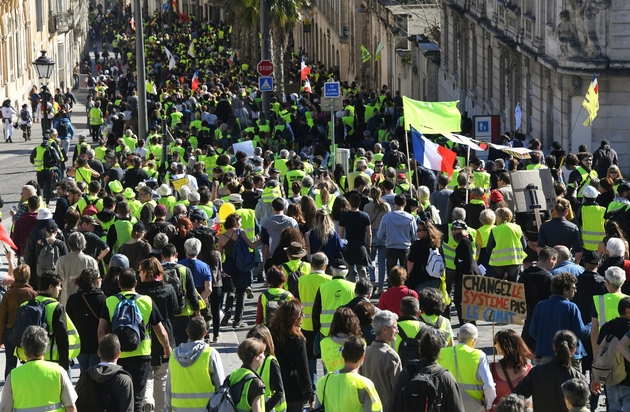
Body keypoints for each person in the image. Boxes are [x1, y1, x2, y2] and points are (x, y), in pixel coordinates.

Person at [97, 268, 173, 412]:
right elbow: (161, 331)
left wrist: (104, 352)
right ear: (136, 283)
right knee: (137, 398)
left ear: (119, 284)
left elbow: (102, 330)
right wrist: (167, 348)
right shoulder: (146, 301)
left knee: (117, 398)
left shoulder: (110, 301)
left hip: (117, 357)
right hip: (141, 356)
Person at [0, 326, 77, 412]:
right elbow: (71, 408)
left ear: (24, 349)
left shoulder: (13, 376)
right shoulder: (58, 372)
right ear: (45, 347)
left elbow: (4, 409)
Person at [136, 257, 179, 412]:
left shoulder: (139, 292)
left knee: (147, 375)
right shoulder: (168, 288)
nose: (138, 274)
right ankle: (160, 408)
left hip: (145, 336)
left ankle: (147, 401)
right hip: (165, 333)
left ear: (147, 272)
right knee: (162, 377)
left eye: (140, 271)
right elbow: (175, 310)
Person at [388, 331, 465, 412]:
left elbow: (393, 405)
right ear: (439, 352)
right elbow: (457, 408)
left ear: (419, 349)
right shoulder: (446, 378)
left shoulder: (406, 373)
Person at [513, 330, 585, 412]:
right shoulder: (578, 378)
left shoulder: (537, 372)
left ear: (554, 346)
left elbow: (517, 394)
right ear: (574, 350)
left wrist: (527, 407)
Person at [529, 273, 591, 368]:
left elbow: (532, 331)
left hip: (546, 354)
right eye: (573, 288)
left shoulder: (540, 306)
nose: (575, 291)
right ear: (565, 290)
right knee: (573, 382)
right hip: (570, 355)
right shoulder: (571, 307)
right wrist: (592, 325)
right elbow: (580, 332)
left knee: (549, 382)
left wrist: (546, 340)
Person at [165, 316, 225, 412]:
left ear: (187, 331)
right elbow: (221, 386)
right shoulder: (210, 354)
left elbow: (168, 388)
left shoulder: (174, 356)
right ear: (205, 333)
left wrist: (167, 408)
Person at [314, 335, 383, 412]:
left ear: (342, 354)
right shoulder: (364, 384)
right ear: (363, 357)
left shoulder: (323, 382)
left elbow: (317, 408)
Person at [437, 323, 496, 412]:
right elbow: (489, 386)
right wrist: (488, 405)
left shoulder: (442, 353)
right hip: (474, 406)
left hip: (448, 404)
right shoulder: (479, 355)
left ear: (457, 336)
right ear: (474, 340)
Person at [269, 299, 315, 411]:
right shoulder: (297, 340)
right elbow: (303, 370)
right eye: (301, 314)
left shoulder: (270, 333)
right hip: (293, 390)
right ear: (293, 318)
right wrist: (310, 395)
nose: (303, 316)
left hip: (272, 386)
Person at [217, 214, 261, 328]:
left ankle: (228, 310)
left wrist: (221, 270)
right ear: (235, 222)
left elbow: (219, 255)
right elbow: (251, 246)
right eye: (240, 222)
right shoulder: (240, 232)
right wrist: (261, 240)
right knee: (241, 293)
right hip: (241, 265)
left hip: (228, 265)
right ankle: (238, 320)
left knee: (230, 291)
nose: (241, 224)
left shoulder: (222, 237)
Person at [295, 252, 331, 385]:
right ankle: (327, 387)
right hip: (325, 326)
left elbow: (296, 302)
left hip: (306, 325)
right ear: (325, 266)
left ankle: (312, 389)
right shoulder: (330, 280)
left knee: (310, 360)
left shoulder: (301, 281)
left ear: (311, 265)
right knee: (327, 359)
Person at [75, 334, 134, 412]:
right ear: (118, 354)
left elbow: (74, 403)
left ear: (99, 353)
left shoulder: (86, 376)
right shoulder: (124, 380)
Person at [66, 268, 107, 374]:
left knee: (84, 372)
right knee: (94, 375)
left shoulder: (73, 299)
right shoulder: (102, 299)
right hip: (96, 344)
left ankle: (83, 389)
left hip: (80, 344)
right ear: (95, 281)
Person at [0, 264, 38, 377]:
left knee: (10, 363)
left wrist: (0, 337)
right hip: (29, 331)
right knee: (29, 362)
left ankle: (9, 388)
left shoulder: (8, 295)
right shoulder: (33, 294)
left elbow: (2, 317)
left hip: (10, 331)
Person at [593, 297, 630, 410]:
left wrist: (595, 378)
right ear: (628, 311)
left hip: (610, 378)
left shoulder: (606, 327)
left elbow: (599, 353)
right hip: (628, 381)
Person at [359, 310, 402, 408]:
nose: (397, 331)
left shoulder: (365, 352)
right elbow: (398, 389)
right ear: (385, 329)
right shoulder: (390, 356)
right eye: (395, 327)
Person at [490, 329, 534, 410]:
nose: (494, 345)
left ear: (504, 346)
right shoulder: (530, 370)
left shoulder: (491, 368)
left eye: (496, 342)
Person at [247, 325, 286, 412]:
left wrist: (264, 408)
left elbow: (279, 392)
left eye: (256, 337)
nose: (253, 339)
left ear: (265, 340)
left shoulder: (271, 361)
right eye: (250, 336)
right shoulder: (252, 359)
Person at [313, 259, 356, 337]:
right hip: (348, 329)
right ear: (347, 272)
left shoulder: (323, 287)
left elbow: (316, 310)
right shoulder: (353, 287)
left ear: (331, 271)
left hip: (326, 331)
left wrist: (317, 329)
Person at [377, 194, 417, 273]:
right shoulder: (410, 218)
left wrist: (388, 237)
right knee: (405, 274)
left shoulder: (386, 217)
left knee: (392, 275)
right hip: (405, 248)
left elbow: (379, 235)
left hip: (391, 247)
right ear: (405, 204)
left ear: (394, 203)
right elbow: (415, 235)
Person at [590, 266, 627, 353]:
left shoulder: (598, 300)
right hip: (625, 347)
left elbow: (594, 331)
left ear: (607, 282)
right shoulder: (628, 300)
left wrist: (596, 355)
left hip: (605, 348)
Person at [57, 232, 99, 306]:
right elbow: (97, 282)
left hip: (66, 300)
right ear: (84, 244)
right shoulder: (91, 261)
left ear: (69, 244)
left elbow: (57, 281)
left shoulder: (61, 260)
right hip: (87, 301)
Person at [452, 220, 482, 324]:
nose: (454, 232)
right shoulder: (463, 241)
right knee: (462, 301)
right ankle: (467, 323)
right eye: (453, 229)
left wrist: (466, 279)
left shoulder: (464, 242)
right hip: (464, 276)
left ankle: (467, 323)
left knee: (462, 301)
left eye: (456, 229)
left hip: (466, 277)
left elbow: (468, 261)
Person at [537, 198, 583, 264]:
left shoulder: (544, 226)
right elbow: (579, 251)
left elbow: (540, 247)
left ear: (555, 209)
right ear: (567, 211)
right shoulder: (573, 227)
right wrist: (575, 264)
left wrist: (544, 262)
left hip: (550, 261)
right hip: (566, 262)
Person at [485, 208, 526, 281]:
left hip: (497, 263)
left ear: (500, 217)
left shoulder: (495, 230)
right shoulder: (517, 228)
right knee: (512, 285)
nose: (496, 219)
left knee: (498, 285)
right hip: (514, 261)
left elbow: (489, 249)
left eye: (496, 216)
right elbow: (524, 245)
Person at [228, 338, 267, 412]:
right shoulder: (256, 383)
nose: (264, 356)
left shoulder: (234, 374)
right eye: (262, 353)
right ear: (256, 357)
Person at [339, 194, 372, 281]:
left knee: (350, 270)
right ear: (360, 203)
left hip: (349, 245)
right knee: (362, 268)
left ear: (349, 203)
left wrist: (340, 246)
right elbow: (369, 233)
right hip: (361, 245)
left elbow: (340, 233)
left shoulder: (344, 216)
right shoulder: (365, 216)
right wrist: (369, 245)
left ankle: (352, 288)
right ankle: (363, 286)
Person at [320, 307, 363, 373]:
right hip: (354, 381)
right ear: (354, 323)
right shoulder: (361, 343)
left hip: (332, 380)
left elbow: (325, 365)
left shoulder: (324, 343)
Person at [364, 187, 391, 293]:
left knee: (371, 260)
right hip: (383, 234)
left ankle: (372, 281)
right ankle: (380, 286)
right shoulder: (386, 206)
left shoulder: (367, 206)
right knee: (381, 262)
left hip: (370, 234)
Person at [407, 219, 443, 291]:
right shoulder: (437, 244)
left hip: (421, 279)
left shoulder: (417, 244)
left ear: (426, 232)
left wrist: (408, 274)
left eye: (419, 230)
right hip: (435, 279)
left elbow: (411, 262)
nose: (417, 232)